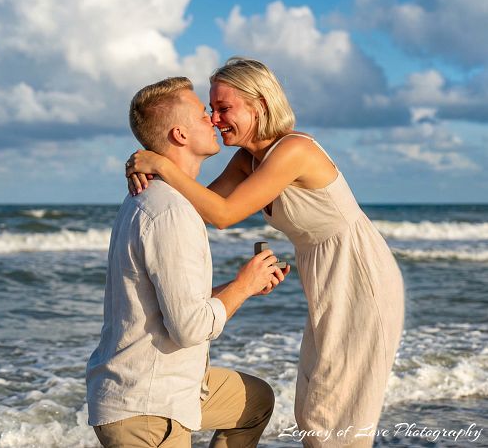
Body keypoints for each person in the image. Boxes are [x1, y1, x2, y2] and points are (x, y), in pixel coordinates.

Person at [125, 58, 405, 447]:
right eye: (212, 109)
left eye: (225, 108)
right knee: (313, 406)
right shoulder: (248, 160)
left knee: (334, 412)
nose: (216, 119)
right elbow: (194, 211)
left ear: (259, 104)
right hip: (324, 277)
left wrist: (162, 166)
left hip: (359, 275)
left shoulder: (294, 150)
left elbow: (223, 215)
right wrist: (147, 171)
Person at [86, 76, 290, 448]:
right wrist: (242, 285)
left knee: (255, 401)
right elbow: (190, 328)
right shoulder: (170, 213)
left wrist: (244, 286)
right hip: (148, 409)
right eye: (202, 114)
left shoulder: (154, 198)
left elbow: (171, 306)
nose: (213, 119)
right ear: (179, 135)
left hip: (164, 387)